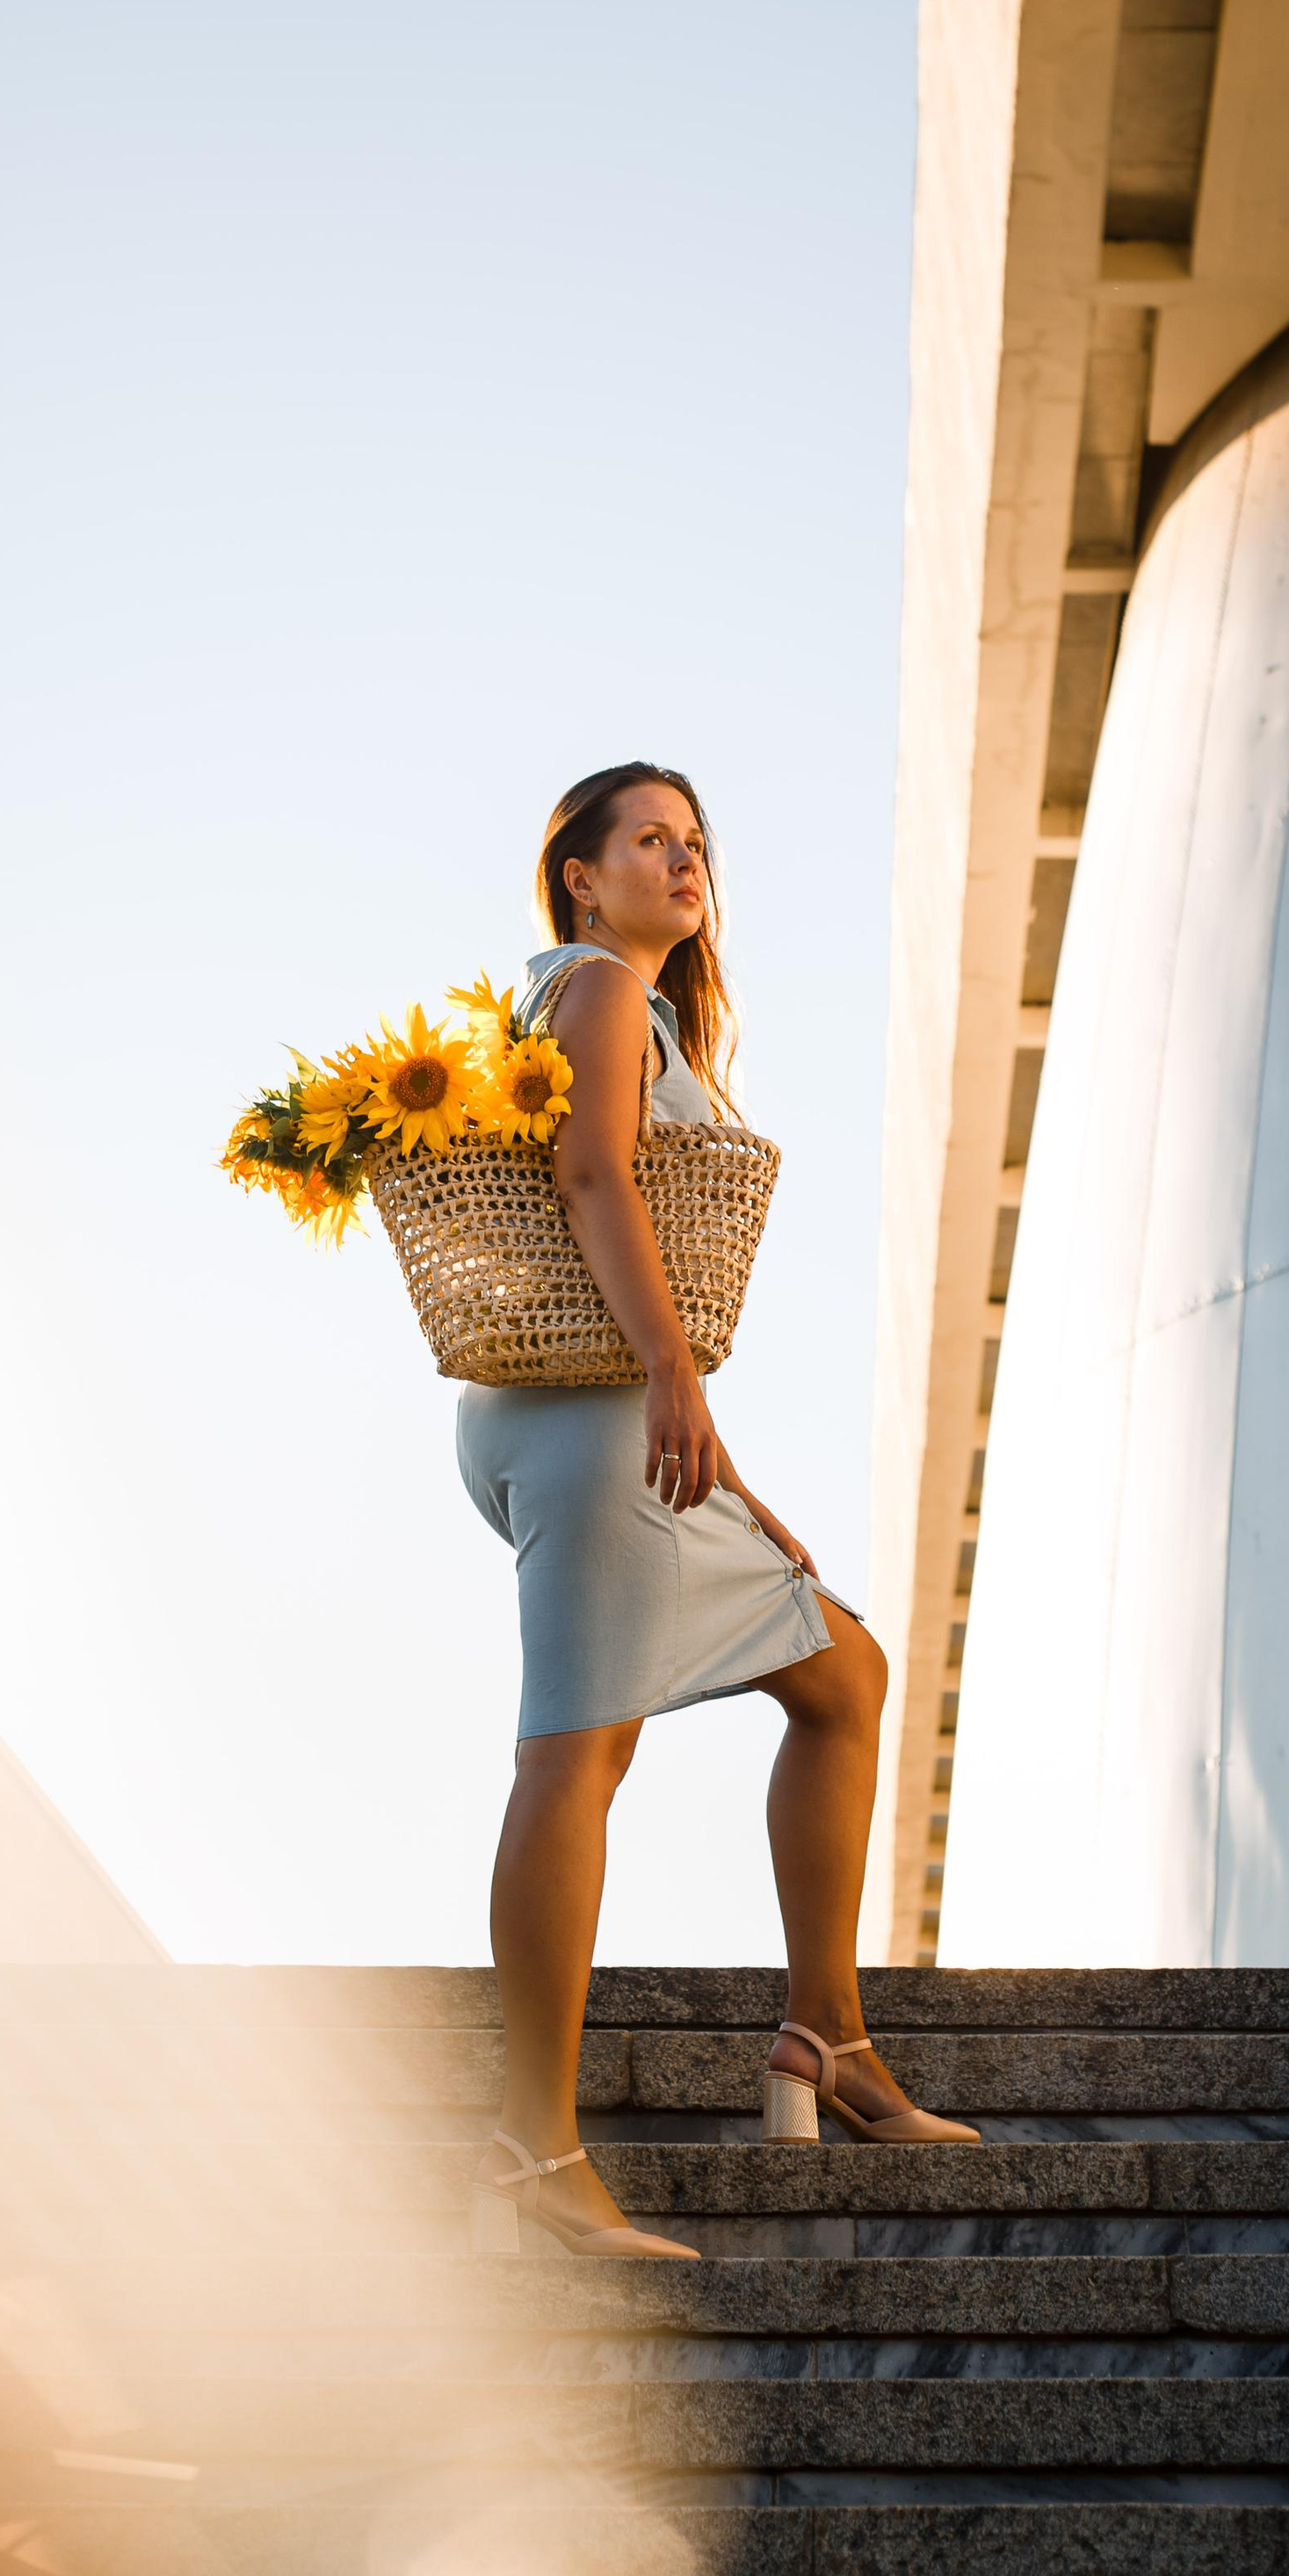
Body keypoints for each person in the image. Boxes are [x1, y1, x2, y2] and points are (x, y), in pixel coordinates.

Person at [459, 762, 976, 2261]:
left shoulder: (606, 1002)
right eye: (651, 843)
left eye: (697, 845)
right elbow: (592, 1180)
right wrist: (677, 1376)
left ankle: (827, 2042)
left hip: (588, 1415)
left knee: (844, 1675)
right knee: (575, 1760)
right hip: (586, 1424)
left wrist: (724, 1463)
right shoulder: (599, 991)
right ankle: (531, 2153)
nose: (685, 866)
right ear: (580, 872)